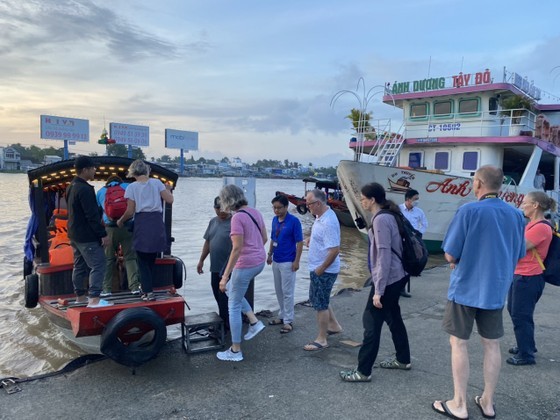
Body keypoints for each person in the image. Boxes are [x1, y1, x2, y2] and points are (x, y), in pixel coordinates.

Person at [432, 165, 525, 420]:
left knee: (459, 343)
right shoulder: (516, 215)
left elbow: (450, 253)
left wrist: (458, 257)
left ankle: (459, 404)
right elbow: (519, 254)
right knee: (492, 345)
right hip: (495, 291)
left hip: (465, 288)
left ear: (478, 184)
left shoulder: (468, 210)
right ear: (500, 186)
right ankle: (487, 403)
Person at [339, 182, 411, 382]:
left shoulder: (380, 220)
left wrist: (378, 290)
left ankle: (363, 371)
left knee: (371, 322)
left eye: (363, 198)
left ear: (372, 200)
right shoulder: (391, 214)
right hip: (399, 275)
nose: (361, 201)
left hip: (388, 278)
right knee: (393, 317)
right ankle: (403, 359)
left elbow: (383, 256)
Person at [216, 184, 268, 362]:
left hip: (245, 264)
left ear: (227, 200)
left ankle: (235, 350)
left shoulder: (237, 218)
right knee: (234, 290)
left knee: (233, 305)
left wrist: (224, 276)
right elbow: (264, 238)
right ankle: (254, 321)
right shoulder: (255, 212)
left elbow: (237, 248)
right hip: (259, 261)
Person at [507, 191, 556, 366]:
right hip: (521, 274)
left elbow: (520, 247)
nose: (522, 206)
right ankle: (526, 345)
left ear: (535, 205)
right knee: (515, 311)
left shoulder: (541, 227)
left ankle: (526, 354)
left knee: (521, 315)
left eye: (525, 203)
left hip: (529, 276)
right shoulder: (533, 224)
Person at [116, 159, 174, 302]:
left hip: (142, 223)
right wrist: (167, 189)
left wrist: (121, 221)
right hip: (156, 222)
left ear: (133, 172)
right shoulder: (156, 183)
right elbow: (170, 200)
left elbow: (130, 211)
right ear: (146, 170)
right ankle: (148, 289)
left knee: (141, 261)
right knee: (150, 259)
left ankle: (148, 292)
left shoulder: (132, 187)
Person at [66, 156, 112, 308]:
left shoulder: (71, 186)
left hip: (74, 234)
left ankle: (80, 297)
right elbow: (92, 216)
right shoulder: (85, 189)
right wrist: (103, 234)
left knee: (79, 266)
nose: (95, 170)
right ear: (85, 170)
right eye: (93, 168)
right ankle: (94, 300)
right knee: (98, 264)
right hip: (86, 236)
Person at [303, 189, 342, 351]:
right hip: (318, 266)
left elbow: (334, 250)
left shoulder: (328, 222)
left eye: (309, 204)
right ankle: (334, 326)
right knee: (319, 298)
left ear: (317, 203)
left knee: (320, 304)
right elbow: (324, 239)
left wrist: (321, 268)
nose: (307, 207)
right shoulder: (321, 217)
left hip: (324, 269)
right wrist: (311, 240)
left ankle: (322, 338)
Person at [96, 175, 140, 296]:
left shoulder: (101, 191)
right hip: (128, 227)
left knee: (109, 259)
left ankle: (106, 289)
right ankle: (135, 287)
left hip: (110, 229)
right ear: (120, 181)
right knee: (130, 258)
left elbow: (98, 212)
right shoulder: (128, 187)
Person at [266, 195, 303, 334]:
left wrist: (297, 261)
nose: (276, 210)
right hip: (276, 259)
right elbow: (273, 239)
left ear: (286, 207)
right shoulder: (275, 220)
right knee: (279, 290)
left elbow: (299, 242)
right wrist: (270, 254)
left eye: (279, 207)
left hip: (288, 261)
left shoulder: (294, 221)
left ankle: (288, 321)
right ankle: (282, 316)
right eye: (274, 207)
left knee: (288, 292)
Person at [197, 196, 233, 329]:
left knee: (225, 297)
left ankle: (226, 325)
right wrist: (201, 260)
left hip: (229, 268)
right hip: (215, 266)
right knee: (217, 294)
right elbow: (208, 242)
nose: (221, 212)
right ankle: (225, 320)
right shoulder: (213, 222)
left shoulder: (234, 222)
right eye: (218, 209)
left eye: (224, 208)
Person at [398, 188, 428, 298]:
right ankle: (396, 287)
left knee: (410, 262)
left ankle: (402, 288)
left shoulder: (419, 212)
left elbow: (424, 224)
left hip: (413, 242)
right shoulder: (398, 209)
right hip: (400, 240)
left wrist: (418, 234)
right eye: (415, 199)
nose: (417, 201)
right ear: (408, 199)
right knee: (398, 263)